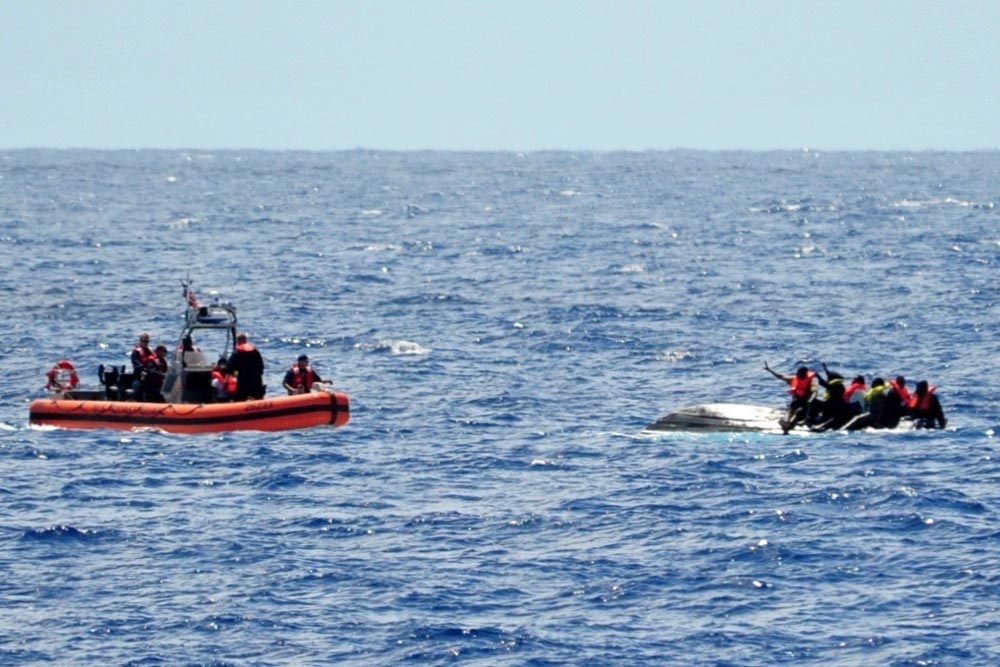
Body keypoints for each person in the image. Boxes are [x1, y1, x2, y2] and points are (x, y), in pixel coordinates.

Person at [764, 362, 817, 433]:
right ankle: (787, 423)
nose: (798, 375)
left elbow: (814, 392)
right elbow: (781, 376)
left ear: (805, 374)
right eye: (798, 373)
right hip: (796, 401)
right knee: (792, 409)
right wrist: (770, 370)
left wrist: (810, 400)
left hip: (807, 403)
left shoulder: (811, 381)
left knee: (799, 411)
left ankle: (793, 423)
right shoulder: (793, 379)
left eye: (800, 374)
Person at [228, 332, 265, 401]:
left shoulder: (237, 353)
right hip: (256, 382)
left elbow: (230, 367)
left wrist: (233, 375)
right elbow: (261, 367)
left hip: (243, 383)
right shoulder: (255, 351)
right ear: (246, 340)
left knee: (239, 401)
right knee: (258, 399)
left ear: (238, 341)